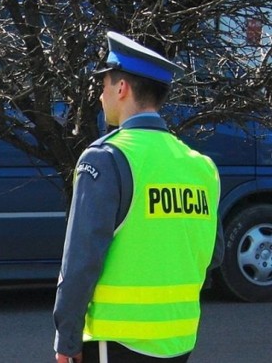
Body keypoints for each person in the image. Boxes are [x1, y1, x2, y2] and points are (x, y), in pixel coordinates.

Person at [52, 31, 224, 363]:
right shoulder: (201, 166)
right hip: (178, 340)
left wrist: (67, 338)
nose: (101, 97)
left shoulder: (105, 157)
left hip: (116, 341)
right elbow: (212, 254)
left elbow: (80, 263)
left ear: (121, 88)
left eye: (103, 86)